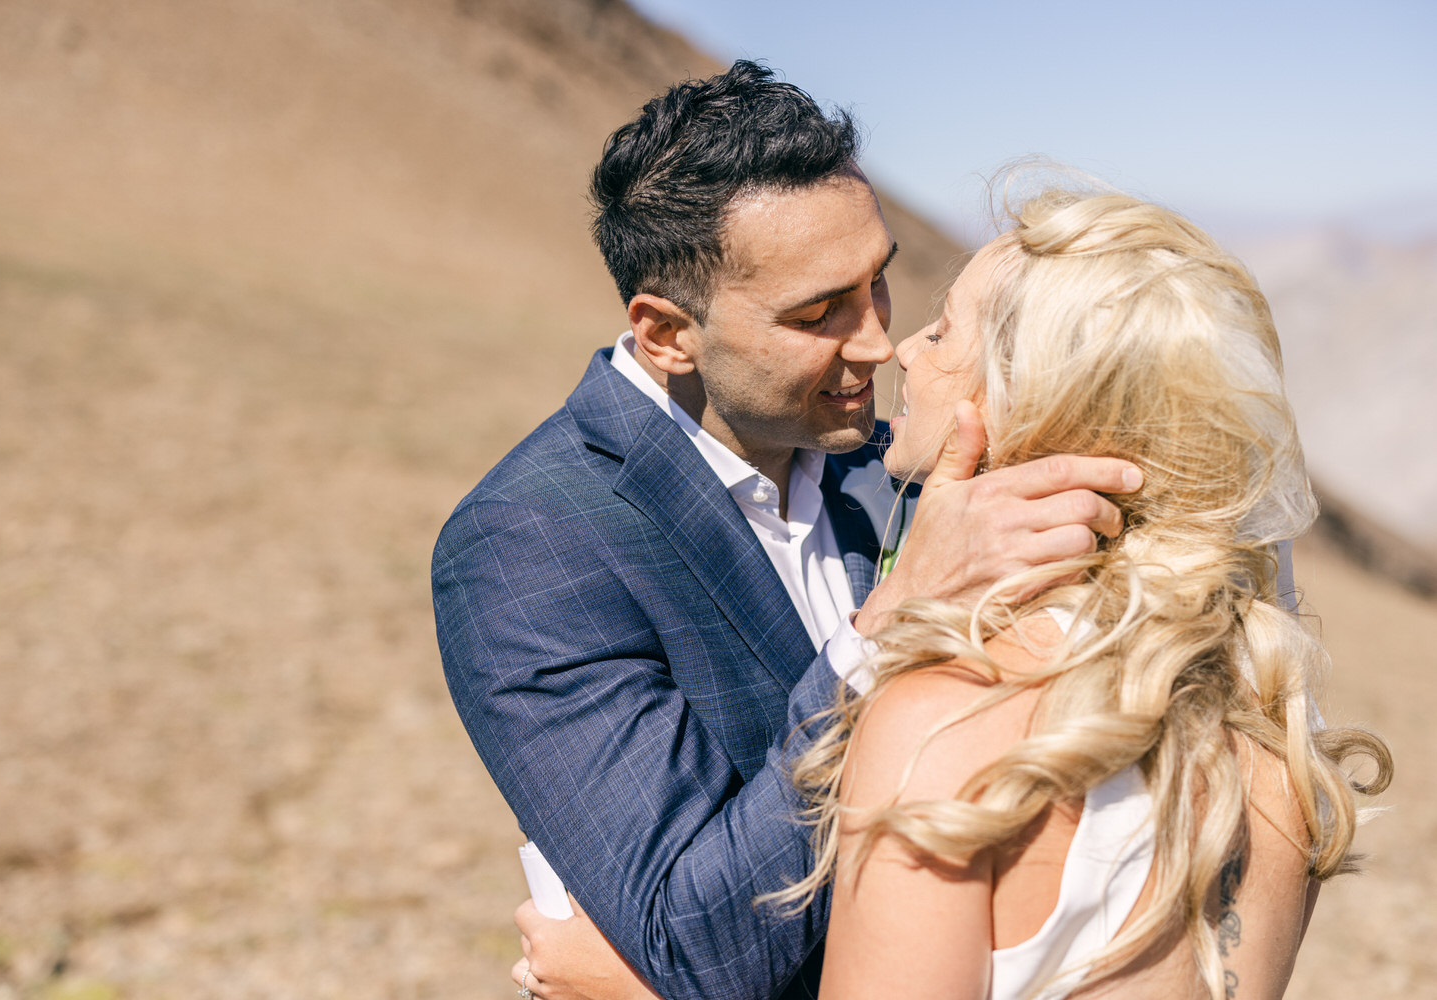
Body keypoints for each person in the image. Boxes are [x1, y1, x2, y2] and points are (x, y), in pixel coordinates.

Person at [431, 63, 1143, 1000]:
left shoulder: (890, 460)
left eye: (877, 284)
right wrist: (892, 619)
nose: (877, 342)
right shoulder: (530, 547)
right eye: (818, 314)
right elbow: (697, 940)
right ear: (665, 334)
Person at [776, 188, 1393, 999]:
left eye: (947, 328)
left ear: (1022, 402)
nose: (905, 351)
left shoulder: (944, 724)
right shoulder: (1273, 721)